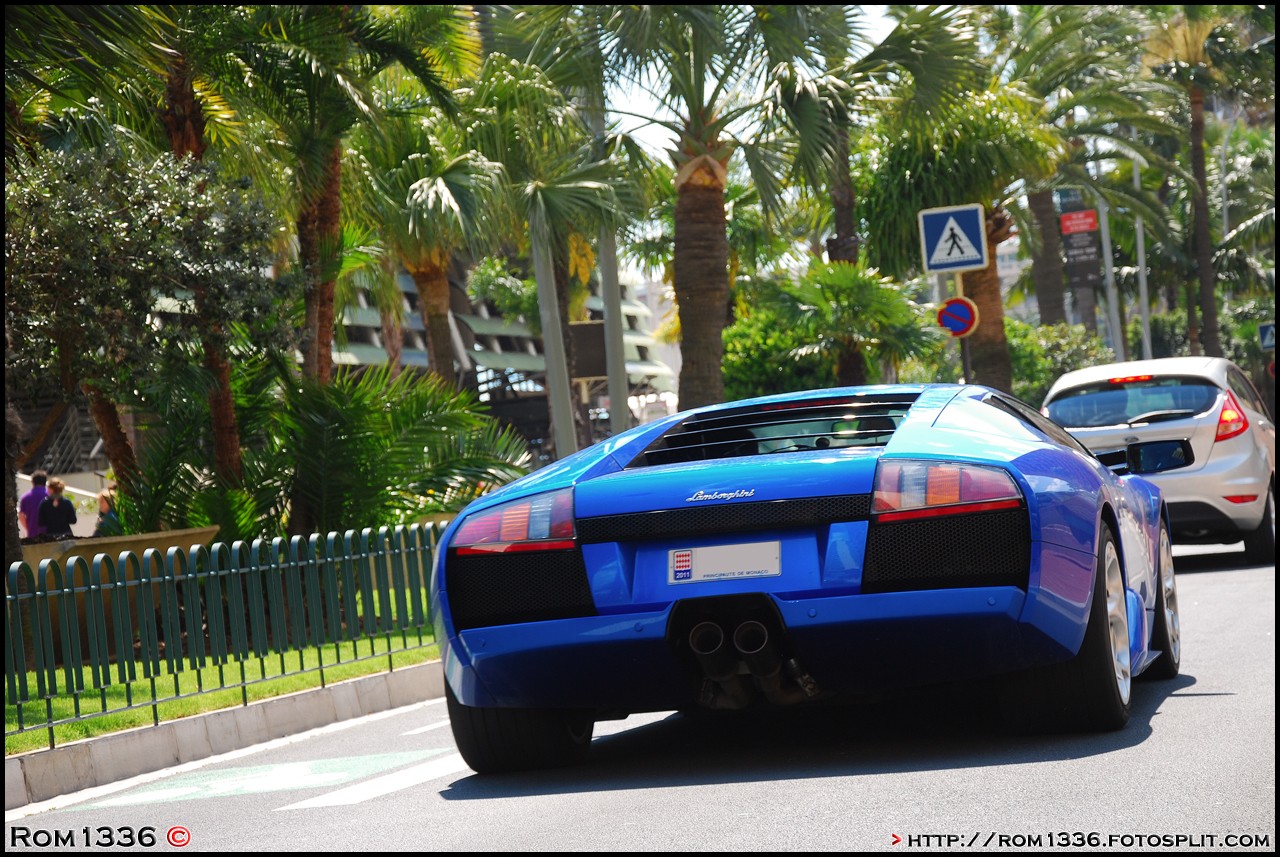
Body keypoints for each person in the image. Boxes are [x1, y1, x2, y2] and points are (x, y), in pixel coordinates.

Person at [19, 469, 49, 539]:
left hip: (32, 534)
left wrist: (28, 528)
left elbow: (21, 516)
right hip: (50, 534)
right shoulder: (50, 496)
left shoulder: (25, 497)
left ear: (32, 482)